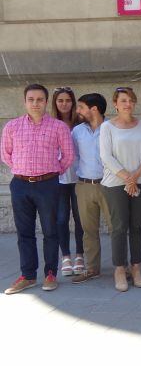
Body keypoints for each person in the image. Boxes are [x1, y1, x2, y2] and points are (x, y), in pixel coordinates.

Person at [2, 84, 75, 295]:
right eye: (31, 99)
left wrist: (52, 172)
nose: (35, 103)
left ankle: (51, 273)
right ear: (25, 102)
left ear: (45, 102)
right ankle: (28, 275)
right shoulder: (12, 127)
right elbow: (6, 154)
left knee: (50, 230)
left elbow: (68, 156)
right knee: (24, 232)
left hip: (48, 185)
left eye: (40, 99)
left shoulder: (58, 127)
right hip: (20, 184)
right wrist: (21, 170)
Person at [99, 87, 141, 292]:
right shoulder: (107, 127)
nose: (127, 104)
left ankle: (136, 268)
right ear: (115, 103)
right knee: (119, 226)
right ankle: (120, 269)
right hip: (115, 183)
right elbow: (106, 156)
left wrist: (135, 177)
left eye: (131, 100)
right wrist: (127, 178)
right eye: (123, 100)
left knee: (137, 226)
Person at [70, 93, 110, 284]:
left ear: (94, 109)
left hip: (109, 185)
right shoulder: (77, 131)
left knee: (116, 228)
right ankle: (92, 268)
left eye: (81, 107)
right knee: (88, 230)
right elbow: (74, 156)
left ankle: (123, 267)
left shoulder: (112, 128)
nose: (78, 111)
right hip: (84, 186)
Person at [52, 86, 85, 277]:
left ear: (73, 102)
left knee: (80, 218)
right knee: (62, 218)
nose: (64, 104)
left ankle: (80, 254)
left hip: (79, 177)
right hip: (58, 179)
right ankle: (65, 256)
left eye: (68, 100)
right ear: (55, 103)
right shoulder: (50, 124)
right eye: (60, 100)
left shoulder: (80, 123)